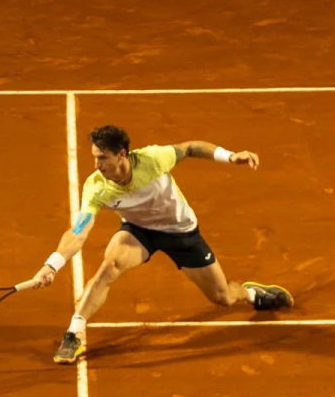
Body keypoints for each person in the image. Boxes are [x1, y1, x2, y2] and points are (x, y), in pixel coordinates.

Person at [31, 124, 293, 364]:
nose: (97, 165)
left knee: (223, 297)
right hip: (139, 231)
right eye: (95, 157)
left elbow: (190, 148)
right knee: (109, 266)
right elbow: (78, 232)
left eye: (103, 158)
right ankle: (74, 332)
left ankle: (251, 294)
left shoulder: (153, 159)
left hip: (181, 232)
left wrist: (230, 156)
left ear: (121, 154)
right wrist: (52, 264)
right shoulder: (96, 187)